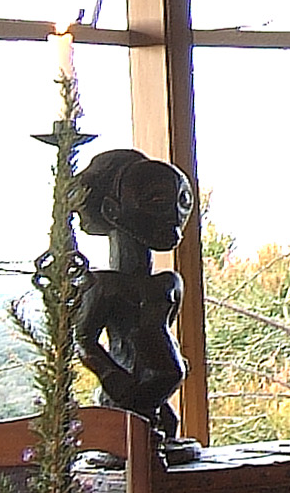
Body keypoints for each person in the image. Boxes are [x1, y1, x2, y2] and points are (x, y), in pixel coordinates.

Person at [70, 148, 196, 452]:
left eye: (182, 201)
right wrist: (112, 377)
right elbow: (82, 339)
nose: (173, 216)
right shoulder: (105, 286)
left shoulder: (169, 283)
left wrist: (176, 366)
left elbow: (161, 335)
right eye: (156, 201)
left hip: (157, 396)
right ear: (113, 212)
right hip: (127, 400)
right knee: (142, 443)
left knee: (164, 433)